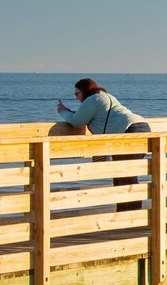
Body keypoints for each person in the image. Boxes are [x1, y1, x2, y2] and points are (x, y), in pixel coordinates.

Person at [55, 78, 151, 210]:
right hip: (141, 126)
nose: (76, 98)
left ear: (84, 91)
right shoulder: (105, 97)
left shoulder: (92, 99)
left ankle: (129, 215)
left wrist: (62, 111)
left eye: (76, 94)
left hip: (127, 131)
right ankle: (128, 213)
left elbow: (76, 121)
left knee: (125, 176)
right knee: (127, 174)